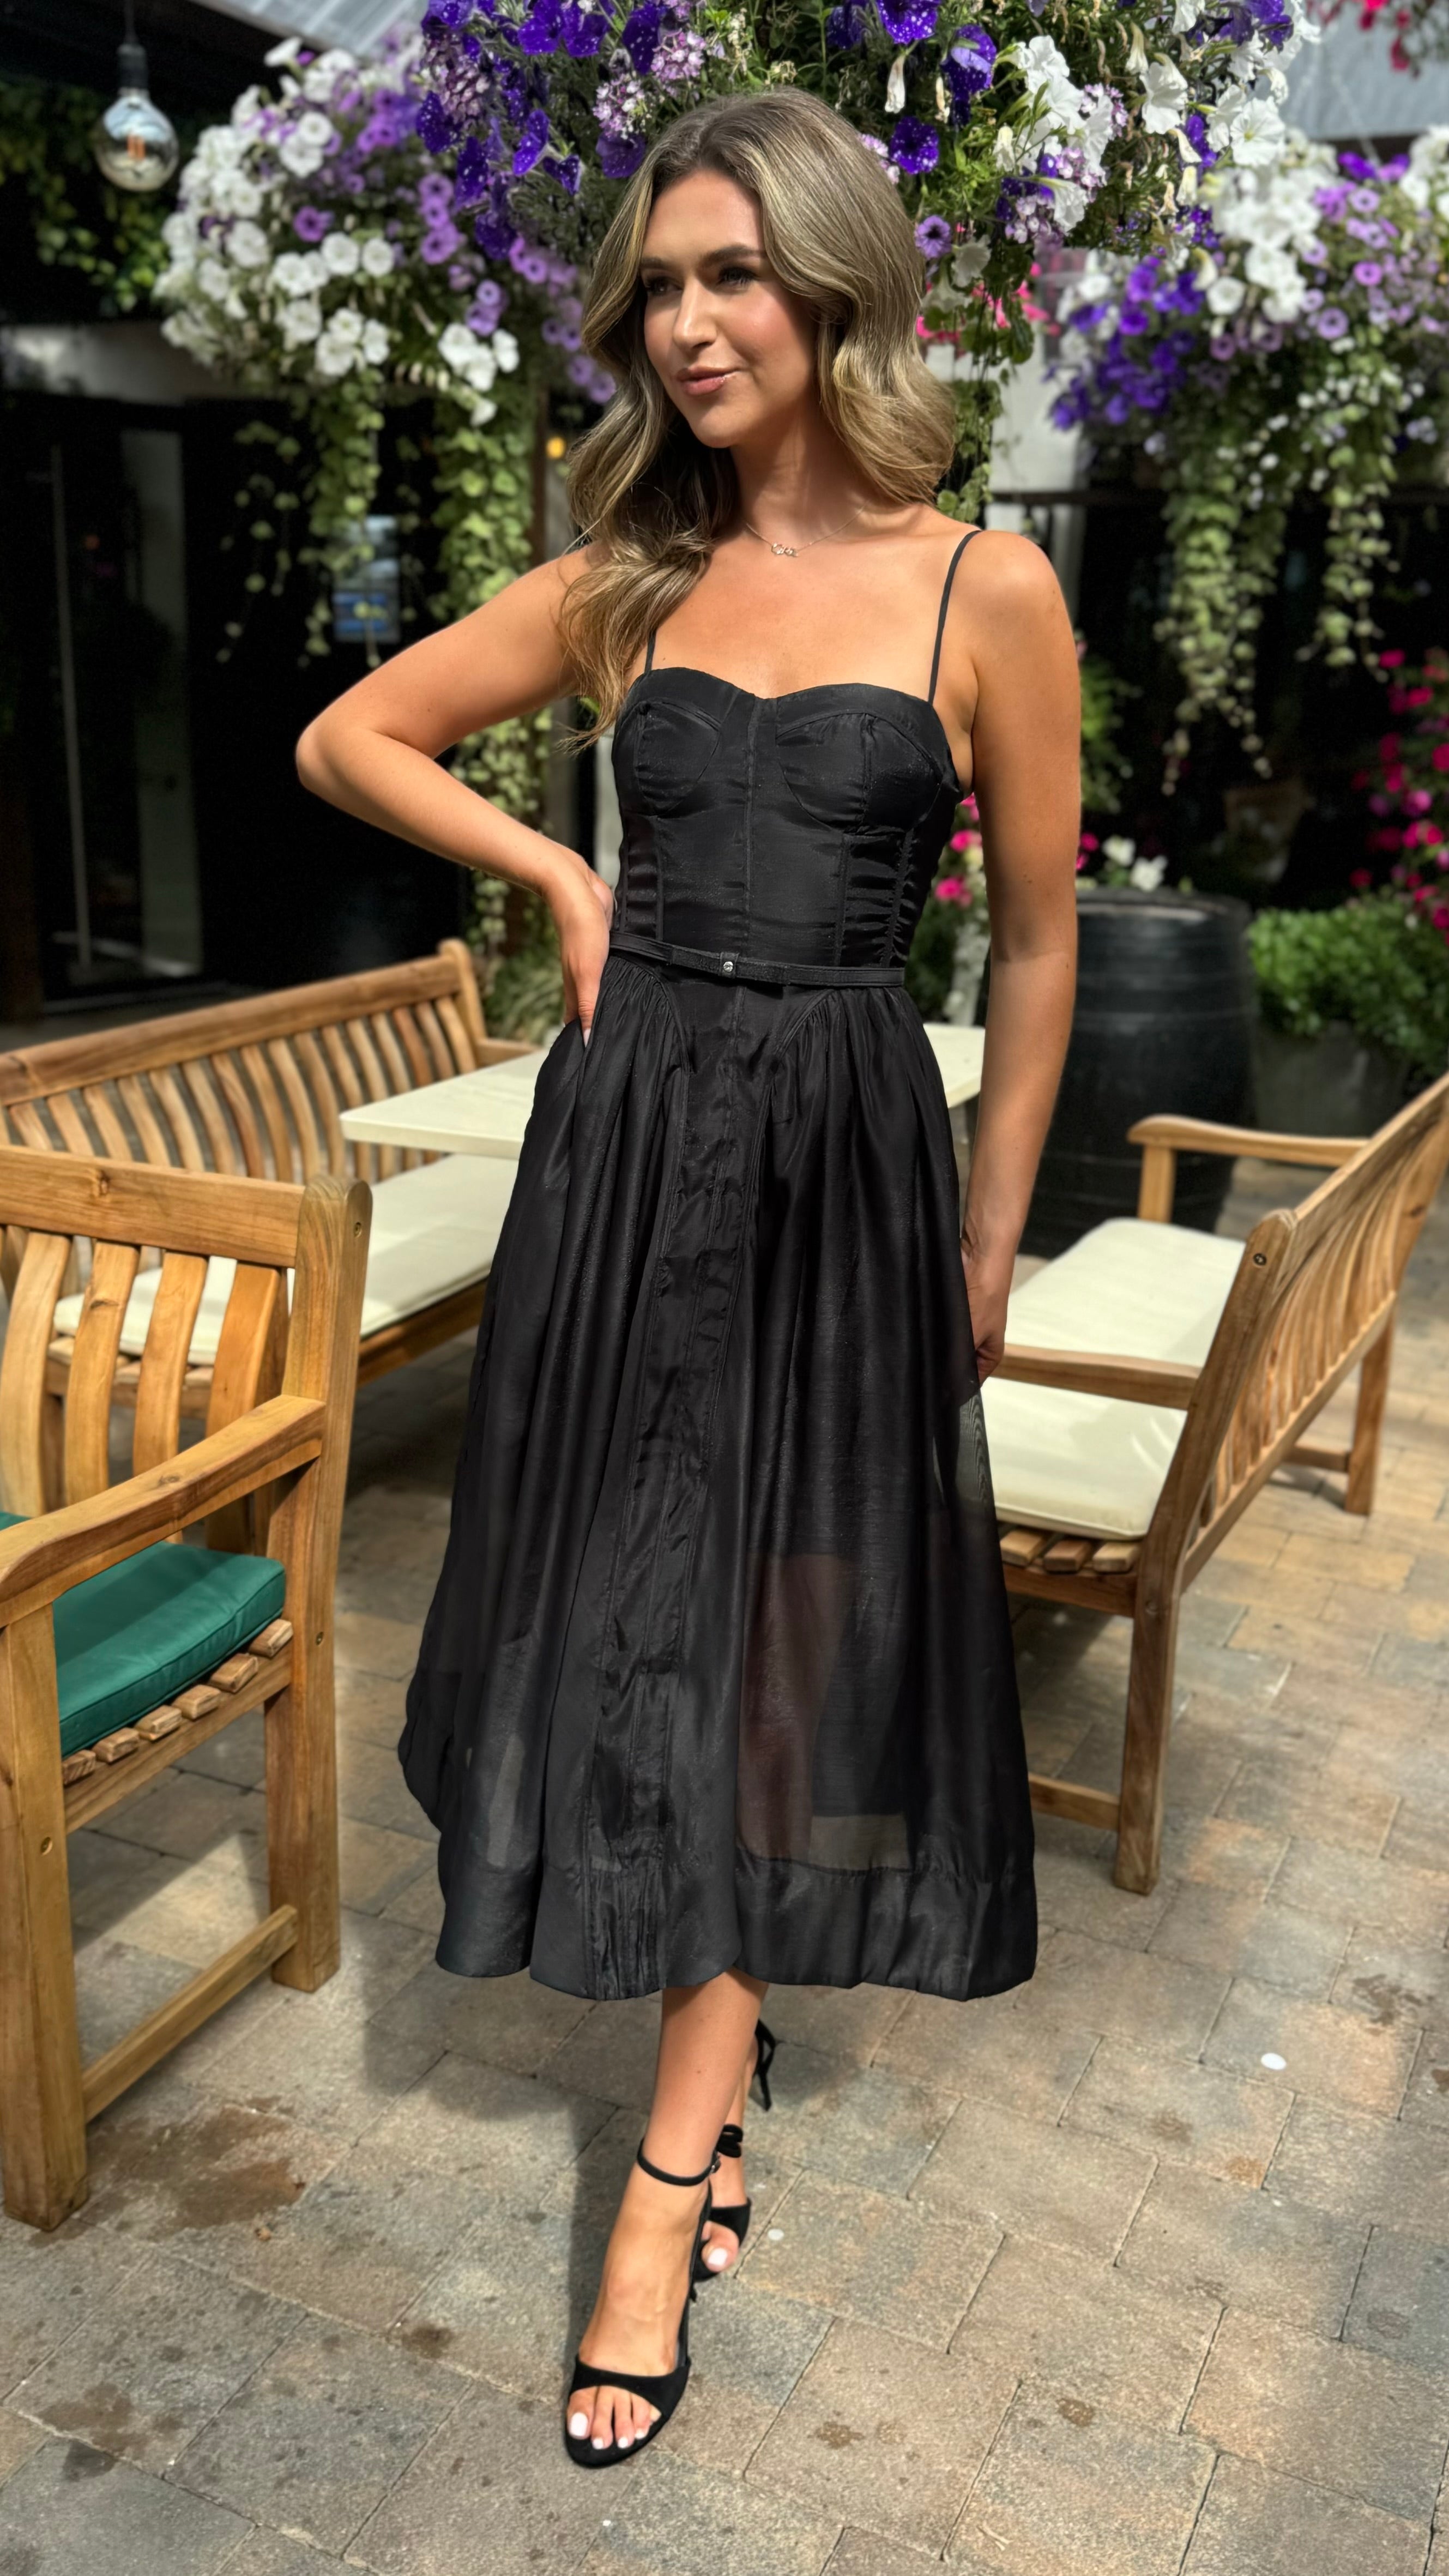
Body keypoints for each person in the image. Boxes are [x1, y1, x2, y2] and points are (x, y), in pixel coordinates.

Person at [297, 86, 1079, 2474]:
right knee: (629, 1606)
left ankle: (661, 2182)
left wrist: (984, 1232)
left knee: (769, 1638)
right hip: (628, 1144)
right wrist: (554, 872)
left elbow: (1036, 946)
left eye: (731, 272)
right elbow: (350, 734)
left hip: (841, 1157)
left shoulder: (981, 590)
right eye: (659, 283)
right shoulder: (627, 579)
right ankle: (705, 2090)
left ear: (833, 284)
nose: (688, 321)